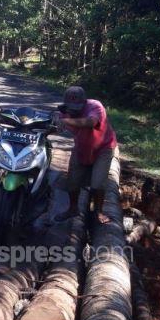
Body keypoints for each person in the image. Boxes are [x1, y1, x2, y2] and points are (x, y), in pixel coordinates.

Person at [54, 86, 118, 224]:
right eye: (70, 107)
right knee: (72, 180)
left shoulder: (95, 106)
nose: (73, 111)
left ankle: (99, 211)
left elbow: (91, 122)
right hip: (82, 147)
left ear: (84, 102)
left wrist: (66, 121)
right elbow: (55, 127)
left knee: (97, 182)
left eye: (77, 107)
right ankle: (73, 209)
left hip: (103, 148)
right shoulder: (63, 112)